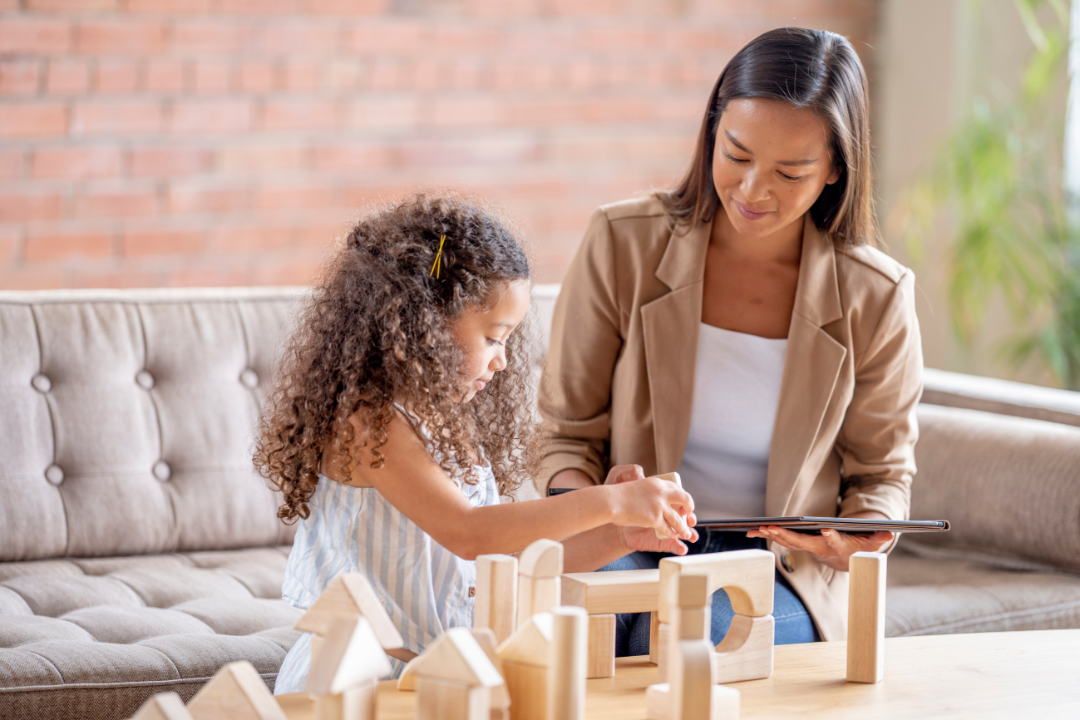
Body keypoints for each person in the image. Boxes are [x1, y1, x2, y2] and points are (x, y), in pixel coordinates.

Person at [538, 27, 923, 653]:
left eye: (789, 172)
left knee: (688, 645)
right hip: (629, 536)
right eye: (737, 156)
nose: (752, 190)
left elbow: (882, 475)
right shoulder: (622, 242)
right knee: (580, 628)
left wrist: (861, 534)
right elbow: (565, 433)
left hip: (776, 568)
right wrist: (599, 508)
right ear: (712, 131)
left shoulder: (875, 295)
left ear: (833, 170)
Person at [254, 194, 697, 691]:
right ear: (424, 322)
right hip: (358, 682)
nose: (503, 359)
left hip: (443, 679)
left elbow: (500, 563)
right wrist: (610, 500)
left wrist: (617, 535)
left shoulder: (447, 426)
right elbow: (468, 532)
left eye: (508, 339)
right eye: (492, 337)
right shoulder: (368, 424)